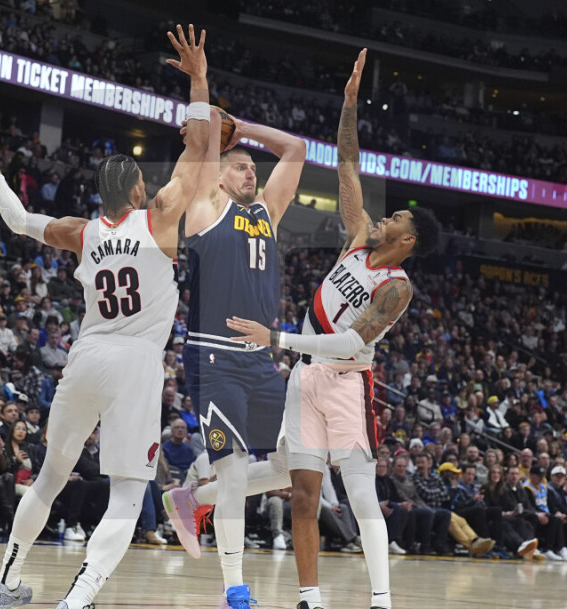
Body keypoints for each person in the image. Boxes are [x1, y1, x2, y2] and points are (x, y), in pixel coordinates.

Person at [0, 24, 212, 609]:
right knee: (128, 490)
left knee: (50, 476)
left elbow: (18, 221)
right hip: (135, 362)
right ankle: (80, 596)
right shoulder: (159, 218)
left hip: (86, 355)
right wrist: (198, 78)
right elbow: (199, 151)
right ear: (138, 191)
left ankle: (4, 584)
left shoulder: (82, 232)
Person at [221, 50, 440, 609]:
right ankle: (310, 598)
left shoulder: (397, 287)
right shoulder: (360, 237)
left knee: (361, 496)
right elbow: (347, 166)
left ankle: (381, 601)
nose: (386, 217)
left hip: (346, 381)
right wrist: (348, 103)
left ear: (408, 241)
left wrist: (276, 338)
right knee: (302, 495)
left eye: (398, 219)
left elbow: (349, 343)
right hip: (304, 378)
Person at [161, 30, 307, 609]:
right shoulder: (204, 206)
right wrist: (200, 84)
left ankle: (192, 497)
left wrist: (242, 129)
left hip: (260, 362)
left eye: (251, 167)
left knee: (295, 466)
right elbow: (200, 145)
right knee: (237, 471)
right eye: (240, 167)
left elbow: (294, 150)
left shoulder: (267, 212)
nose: (249, 172)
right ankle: (234, 589)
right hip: (213, 357)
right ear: (218, 176)